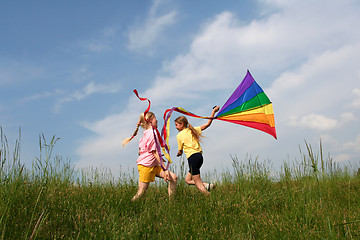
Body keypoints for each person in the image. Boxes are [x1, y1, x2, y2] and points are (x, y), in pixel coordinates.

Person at [123, 111, 177, 201]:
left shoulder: (146, 133)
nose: (157, 121)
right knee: (141, 192)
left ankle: (172, 204)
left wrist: (159, 157)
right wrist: (165, 169)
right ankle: (129, 206)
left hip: (153, 165)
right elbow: (155, 152)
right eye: (156, 119)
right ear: (150, 120)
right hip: (146, 166)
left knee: (173, 177)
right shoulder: (152, 133)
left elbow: (141, 151)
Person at [175, 106, 219, 194]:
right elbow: (207, 124)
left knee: (198, 184)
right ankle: (207, 185)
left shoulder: (179, 136)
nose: (176, 127)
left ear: (182, 124)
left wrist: (178, 154)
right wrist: (213, 112)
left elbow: (180, 151)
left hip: (192, 158)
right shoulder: (192, 130)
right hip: (199, 157)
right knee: (188, 180)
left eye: (176, 125)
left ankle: (209, 198)